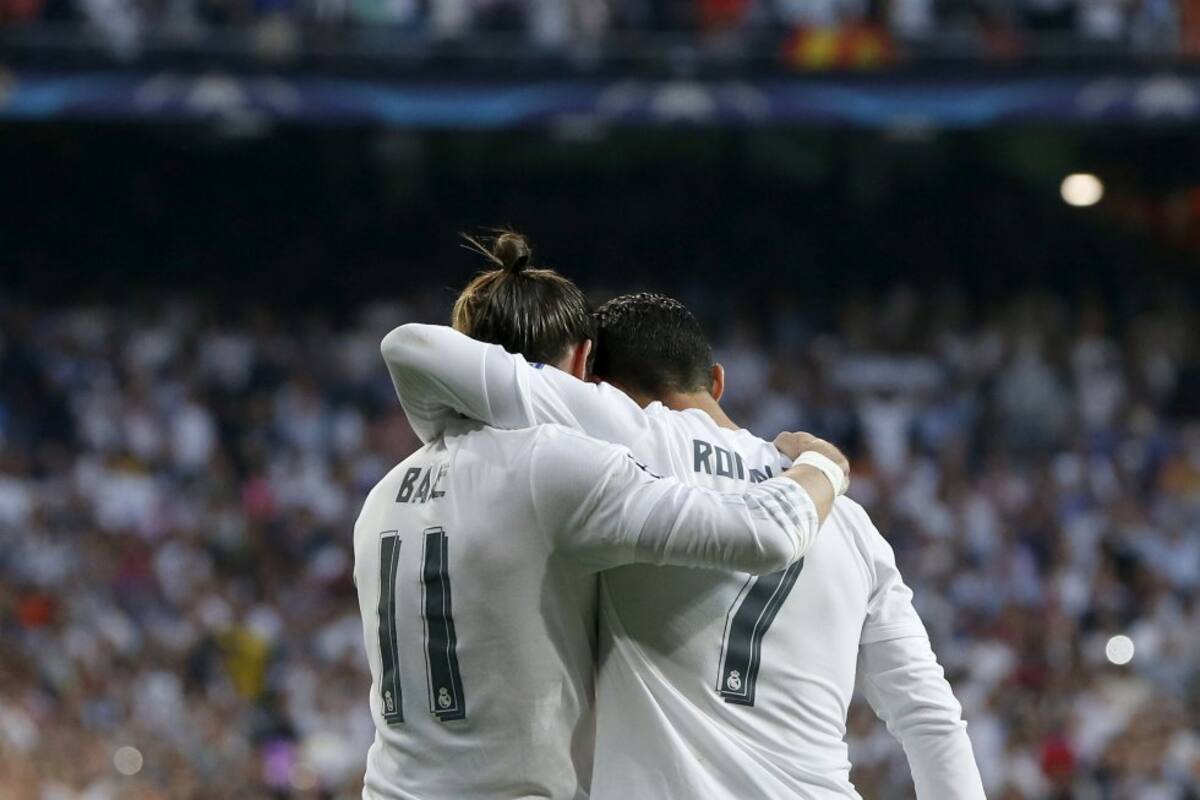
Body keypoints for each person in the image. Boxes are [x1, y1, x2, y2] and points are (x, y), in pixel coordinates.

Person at [382, 278, 986, 795]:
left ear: (592, 380)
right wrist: (824, 467)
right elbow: (930, 719)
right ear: (716, 381)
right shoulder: (853, 525)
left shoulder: (621, 440)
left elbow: (417, 350)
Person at [354, 235, 850, 800]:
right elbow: (764, 535)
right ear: (586, 361)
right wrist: (823, 465)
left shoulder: (383, 493)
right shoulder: (555, 467)